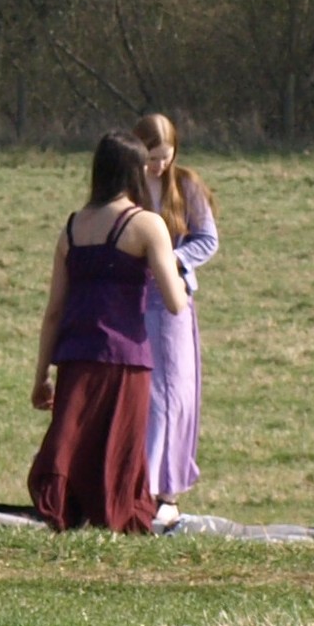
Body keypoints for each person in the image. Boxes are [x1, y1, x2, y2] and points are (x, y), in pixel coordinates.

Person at [28, 132, 187, 533]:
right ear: (135, 172)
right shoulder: (146, 224)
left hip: (76, 354)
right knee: (120, 448)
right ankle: (118, 514)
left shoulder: (72, 227)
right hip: (125, 357)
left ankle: (67, 514)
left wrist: (41, 375)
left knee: (74, 442)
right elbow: (174, 301)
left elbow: (54, 311)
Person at [132, 113, 219, 525]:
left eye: (165, 157)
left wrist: (171, 260)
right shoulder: (126, 188)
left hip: (171, 301)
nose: (159, 165)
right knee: (143, 393)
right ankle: (139, 483)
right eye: (152, 158)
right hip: (131, 297)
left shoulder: (186, 186)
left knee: (172, 394)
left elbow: (207, 239)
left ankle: (165, 488)